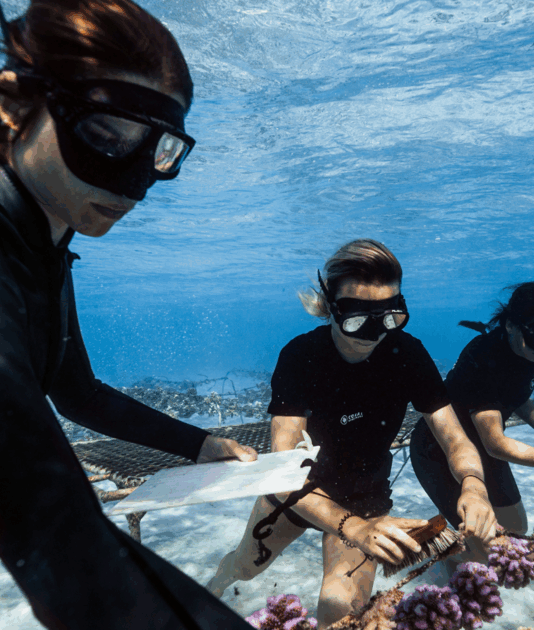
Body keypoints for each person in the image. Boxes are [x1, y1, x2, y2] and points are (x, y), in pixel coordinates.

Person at [0, 1, 260, 629]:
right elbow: (56, 536)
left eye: (160, 152)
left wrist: (198, 442)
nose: (133, 182)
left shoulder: (39, 242)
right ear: (15, 105)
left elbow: (77, 393)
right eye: (105, 134)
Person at [206, 239, 498, 628]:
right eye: (359, 319)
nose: (375, 333)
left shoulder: (407, 353)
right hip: (300, 495)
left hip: (365, 496)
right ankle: (211, 592)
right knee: (243, 567)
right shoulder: (300, 357)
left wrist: (475, 485)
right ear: (330, 308)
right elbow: (282, 471)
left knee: (340, 608)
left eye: (391, 317)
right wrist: (353, 528)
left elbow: (454, 437)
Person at [409, 282, 534, 580]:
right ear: (511, 326)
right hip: (438, 451)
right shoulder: (485, 357)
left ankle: (452, 557)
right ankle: (446, 576)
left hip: (484, 447)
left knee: (516, 531)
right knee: (484, 550)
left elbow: (516, 395)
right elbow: (496, 444)